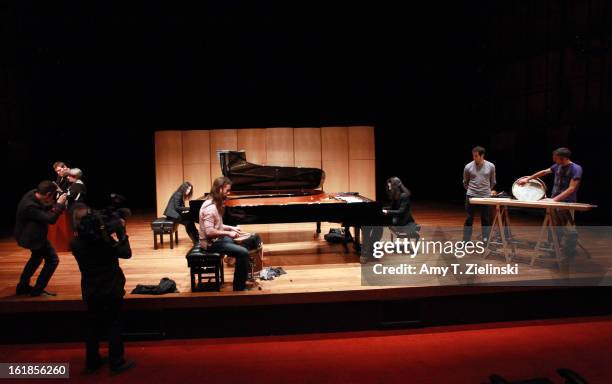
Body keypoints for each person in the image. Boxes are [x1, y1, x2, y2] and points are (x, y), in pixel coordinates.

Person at [70, 205, 135, 374]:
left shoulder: (75, 244)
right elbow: (126, 253)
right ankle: (116, 363)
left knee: (92, 326)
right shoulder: (106, 242)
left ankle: (92, 362)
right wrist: (121, 231)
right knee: (114, 323)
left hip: (90, 289)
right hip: (111, 287)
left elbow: (90, 238)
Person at [517, 147, 582, 259]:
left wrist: (555, 200)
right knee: (553, 227)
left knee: (567, 228)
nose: (554, 161)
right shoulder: (558, 166)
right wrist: (528, 179)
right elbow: (544, 172)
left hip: (566, 203)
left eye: (556, 158)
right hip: (553, 202)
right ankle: (553, 251)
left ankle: (568, 253)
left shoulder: (576, 169)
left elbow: (571, 188)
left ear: (563, 158)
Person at [199, 177, 257, 291]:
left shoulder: (215, 203)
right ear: (220, 189)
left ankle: (242, 274)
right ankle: (239, 287)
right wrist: (228, 233)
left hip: (216, 240)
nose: (228, 193)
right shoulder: (210, 208)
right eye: (227, 190)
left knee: (243, 243)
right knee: (243, 253)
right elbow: (209, 232)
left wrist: (232, 228)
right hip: (209, 244)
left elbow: (218, 226)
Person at [14, 181, 67, 296]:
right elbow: (51, 219)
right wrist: (59, 204)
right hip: (32, 238)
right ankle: (37, 290)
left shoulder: (33, 193)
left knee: (36, 258)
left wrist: (55, 198)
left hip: (33, 235)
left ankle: (22, 287)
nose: (51, 198)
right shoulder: (30, 206)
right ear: (48, 194)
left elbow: (43, 205)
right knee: (53, 260)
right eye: (51, 195)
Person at [362, 177, 418, 261]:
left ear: (395, 186)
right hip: (397, 218)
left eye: (390, 186)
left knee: (377, 226)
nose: (389, 188)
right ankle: (371, 248)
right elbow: (392, 208)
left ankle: (369, 249)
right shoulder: (397, 194)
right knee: (377, 226)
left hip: (403, 221)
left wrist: (387, 212)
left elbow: (401, 211)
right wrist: (380, 209)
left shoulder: (404, 195)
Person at [463, 146, 496, 242]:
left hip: (485, 196)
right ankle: (466, 241)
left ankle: (485, 241)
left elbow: (493, 181)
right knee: (469, 218)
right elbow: (465, 182)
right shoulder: (468, 166)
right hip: (471, 195)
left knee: (486, 219)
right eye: (473, 156)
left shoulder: (491, 166)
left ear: (482, 156)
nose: (474, 158)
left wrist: (486, 191)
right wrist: (471, 191)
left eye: (476, 156)